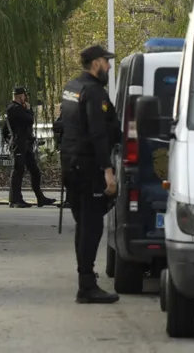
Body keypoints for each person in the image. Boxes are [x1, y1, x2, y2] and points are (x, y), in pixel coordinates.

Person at [58, 44, 121, 304]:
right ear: (95, 63)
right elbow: (97, 133)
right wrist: (108, 171)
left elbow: (62, 125)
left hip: (71, 166)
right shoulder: (94, 92)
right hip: (88, 168)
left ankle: (85, 280)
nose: (108, 66)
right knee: (92, 226)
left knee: (83, 225)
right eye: (106, 61)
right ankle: (86, 286)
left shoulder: (72, 88)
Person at [5, 86, 58, 209]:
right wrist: (28, 110)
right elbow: (29, 120)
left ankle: (40, 198)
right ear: (20, 96)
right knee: (18, 171)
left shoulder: (19, 108)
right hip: (19, 144)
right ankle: (15, 200)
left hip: (26, 144)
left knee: (35, 171)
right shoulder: (14, 108)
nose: (26, 98)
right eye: (24, 95)